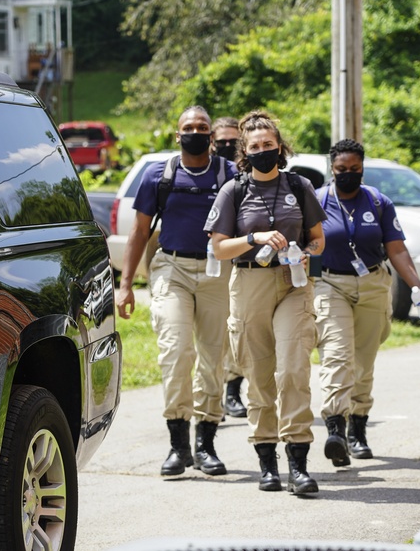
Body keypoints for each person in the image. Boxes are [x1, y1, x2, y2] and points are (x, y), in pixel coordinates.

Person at [205, 111, 327, 494]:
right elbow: (219, 248)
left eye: (268, 145)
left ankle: (299, 465)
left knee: (293, 370)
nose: (262, 151)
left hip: (293, 283)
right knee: (258, 376)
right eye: (254, 146)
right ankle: (267, 463)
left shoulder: (300, 186)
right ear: (245, 150)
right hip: (250, 282)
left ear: (280, 147)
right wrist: (256, 238)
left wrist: (307, 251)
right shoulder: (233, 191)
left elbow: (318, 238)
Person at [116, 105, 240, 477]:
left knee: (213, 358)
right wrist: (125, 285)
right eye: (189, 127)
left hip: (219, 271)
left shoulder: (230, 175)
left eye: (202, 127)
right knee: (175, 350)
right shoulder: (160, 176)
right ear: (177, 134)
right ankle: (177, 444)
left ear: (212, 136)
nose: (196, 132)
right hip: (172, 268)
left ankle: (206, 443)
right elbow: (139, 232)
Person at [314, 138, 420, 467]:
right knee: (337, 357)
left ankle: (358, 428)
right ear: (332, 169)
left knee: (363, 363)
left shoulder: (378, 202)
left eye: (355, 169)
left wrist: (417, 288)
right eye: (341, 169)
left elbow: (396, 249)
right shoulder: (317, 201)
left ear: (362, 168)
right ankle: (335, 429)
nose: (348, 174)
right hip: (329, 284)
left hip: (371, 283)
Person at [211, 116, 249, 419]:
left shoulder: (247, 176)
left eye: (232, 142)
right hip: (204, 261)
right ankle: (211, 395)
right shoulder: (202, 170)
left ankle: (233, 388)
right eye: (221, 141)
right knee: (211, 334)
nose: (226, 147)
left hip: (237, 261)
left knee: (237, 326)